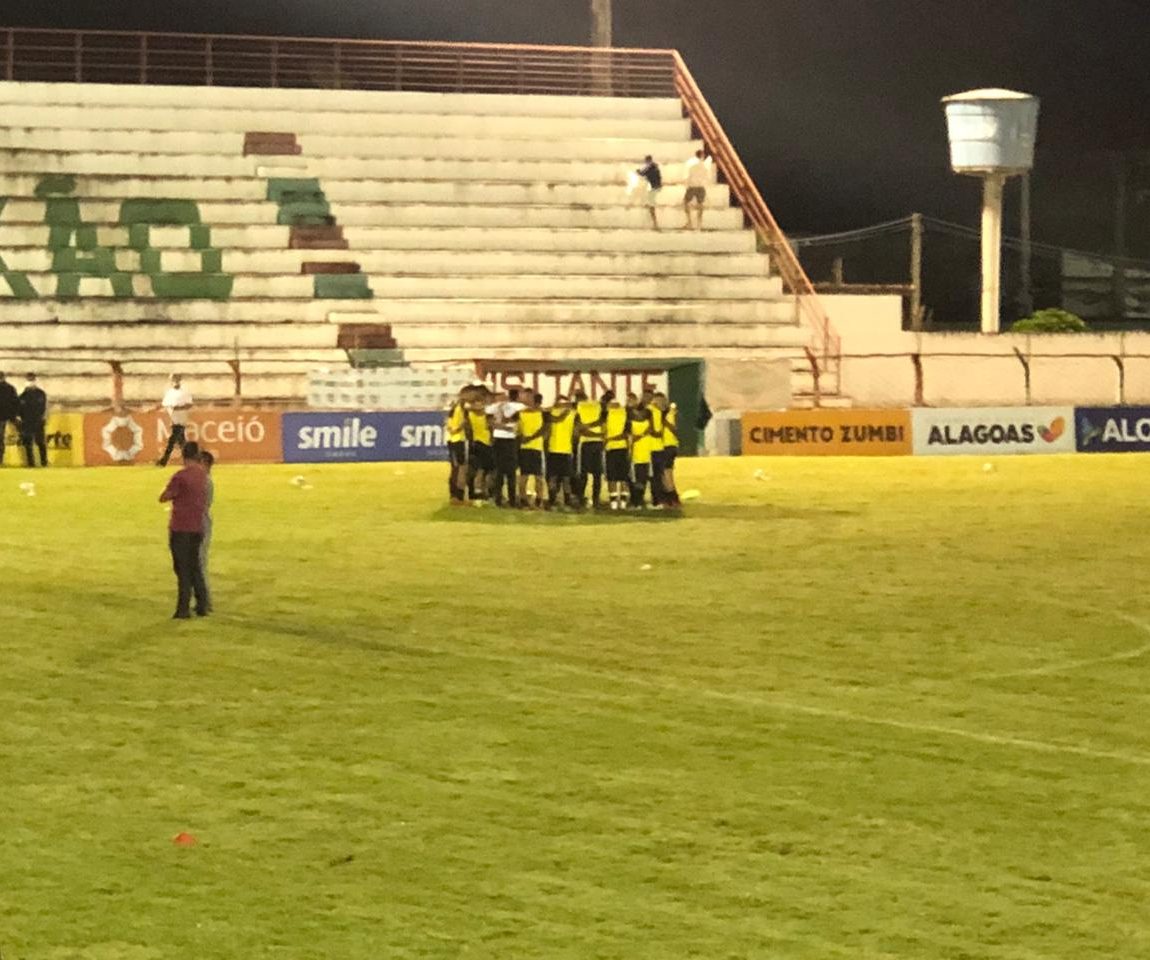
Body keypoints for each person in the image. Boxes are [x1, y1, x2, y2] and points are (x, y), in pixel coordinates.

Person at [159, 440, 209, 619]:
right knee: (195, 565)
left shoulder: (180, 476)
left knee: (182, 569)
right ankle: (202, 604)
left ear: (183, 455)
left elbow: (164, 497)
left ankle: (183, 608)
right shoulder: (202, 475)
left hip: (181, 527)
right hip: (197, 526)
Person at [487, 387, 524, 507]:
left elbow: (491, 422)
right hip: (506, 440)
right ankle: (504, 499)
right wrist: (506, 427)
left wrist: (499, 425)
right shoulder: (514, 407)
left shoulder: (500, 407)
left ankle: (505, 499)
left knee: (505, 471)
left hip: (504, 439)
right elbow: (490, 422)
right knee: (504, 471)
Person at [573, 388, 606, 509]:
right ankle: (595, 500)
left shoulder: (578, 408)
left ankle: (582, 498)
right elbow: (601, 420)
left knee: (583, 473)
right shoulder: (597, 406)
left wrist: (587, 427)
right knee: (597, 474)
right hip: (597, 442)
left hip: (585, 443)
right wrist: (598, 434)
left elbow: (580, 429)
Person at [544, 395, 577, 509]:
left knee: (557, 477)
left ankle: (554, 501)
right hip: (562, 450)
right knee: (563, 478)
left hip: (558, 449)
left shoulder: (552, 412)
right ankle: (562, 501)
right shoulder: (571, 413)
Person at [516, 392, 546, 509]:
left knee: (535, 476)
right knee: (527, 476)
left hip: (534, 447)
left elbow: (543, 429)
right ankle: (525, 499)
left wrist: (528, 438)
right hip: (530, 448)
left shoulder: (541, 413)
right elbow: (518, 429)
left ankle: (536, 499)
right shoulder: (523, 413)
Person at [157, 373, 193, 467]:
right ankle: (189, 460)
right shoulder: (169, 393)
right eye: (174, 380)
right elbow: (164, 404)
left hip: (180, 419)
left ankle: (164, 460)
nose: (175, 382)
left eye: (177, 380)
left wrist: (179, 408)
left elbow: (189, 404)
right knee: (181, 441)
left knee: (173, 440)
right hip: (174, 419)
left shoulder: (184, 392)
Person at [465, 385, 494, 502]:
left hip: (482, 444)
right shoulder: (472, 415)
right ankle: (480, 490)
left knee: (482, 469)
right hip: (480, 444)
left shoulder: (482, 415)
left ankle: (480, 490)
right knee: (481, 469)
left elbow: (490, 428)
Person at [602, 391, 630, 511]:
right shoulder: (624, 411)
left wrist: (608, 439)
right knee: (623, 476)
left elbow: (603, 430)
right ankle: (623, 502)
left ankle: (613, 503)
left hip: (611, 448)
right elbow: (627, 433)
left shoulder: (606, 413)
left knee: (612, 477)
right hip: (623, 447)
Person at [445, 386, 470, 504]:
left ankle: (458, 495)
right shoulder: (462, 408)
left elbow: (447, 421)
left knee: (459, 468)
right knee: (458, 468)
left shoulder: (455, 407)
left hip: (455, 440)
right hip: (456, 440)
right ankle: (455, 496)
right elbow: (463, 423)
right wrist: (457, 429)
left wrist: (452, 429)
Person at [656, 395, 682, 507]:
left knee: (666, 473)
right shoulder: (660, 414)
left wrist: (664, 422)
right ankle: (670, 498)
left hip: (668, 446)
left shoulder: (669, 414)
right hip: (664, 446)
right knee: (664, 473)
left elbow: (674, 429)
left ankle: (673, 498)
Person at [628, 400, 654, 509]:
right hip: (637, 454)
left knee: (642, 478)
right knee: (637, 478)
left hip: (645, 454)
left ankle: (639, 500)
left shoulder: (647, 423)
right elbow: (631, 438)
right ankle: (636, 500)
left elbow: (651, 429)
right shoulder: (631, 423)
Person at [19, 373, 48, 468]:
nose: (30, 382)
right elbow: (19, 410)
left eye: (32, 380)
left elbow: (44, 407)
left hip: (38, 421)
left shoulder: (41, 394)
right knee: (28, 443)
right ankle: (31, 463)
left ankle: (44, 462)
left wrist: (44, 417)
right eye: (29, 380)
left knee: (41, 442)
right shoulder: (23, 396)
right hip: (27, 422)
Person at [199, 450, 215, 614]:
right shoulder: (205, 480)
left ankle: (205, 602)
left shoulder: (205, 482)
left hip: (200, 524)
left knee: (200, 563)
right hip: (200, 523)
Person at [683, 149, 712, 230]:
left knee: (686, 202)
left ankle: (689, 222)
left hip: (692, 186)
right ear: (702, 156)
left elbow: (687, 176)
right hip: (701, 186)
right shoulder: (705, 165)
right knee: (700, 205)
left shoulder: (691, 164)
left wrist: (687, 185)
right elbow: (707, 177)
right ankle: (699, 224)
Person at [636, 155, 663, 230]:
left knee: (651, 205)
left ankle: (655, 224)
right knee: (650, 203)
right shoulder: (655, 166)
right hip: (657, 187)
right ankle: (653, 222)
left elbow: (641, 173)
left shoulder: (649, 167)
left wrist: (637, 171)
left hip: (653, 187)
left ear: (647, 160)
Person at [0, 372, 19, 466]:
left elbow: (15, 403)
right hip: (4, 417)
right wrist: (13, 417)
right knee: (0, 439)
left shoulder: (10, 388)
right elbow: (15, 403)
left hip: (3, 417)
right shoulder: (10, 388)